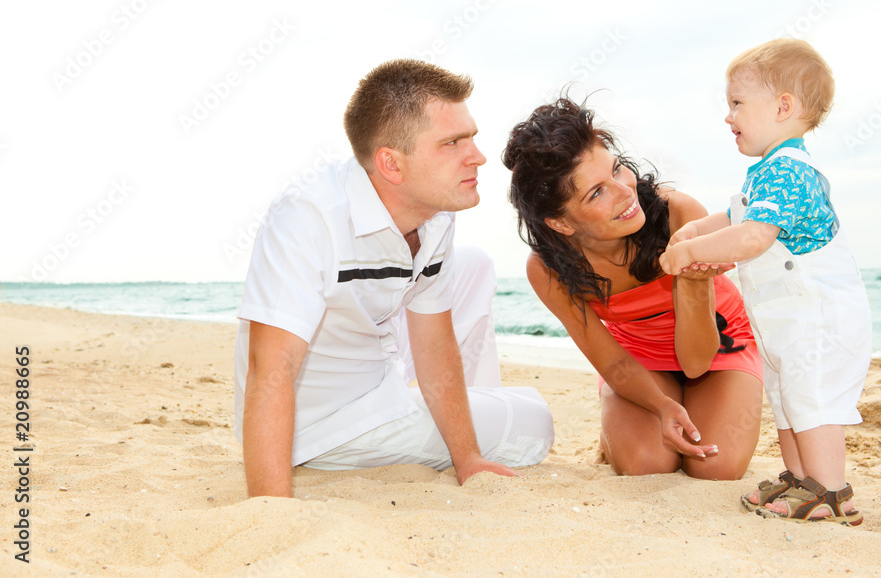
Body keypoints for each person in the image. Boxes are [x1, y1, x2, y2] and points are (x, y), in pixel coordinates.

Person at [234, 59, 554, 498]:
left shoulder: (435, 213)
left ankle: (466, 415)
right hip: (327, 424)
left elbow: (434, 345)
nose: (477, 156)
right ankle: (455, 417)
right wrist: (271, 506)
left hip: (378, 361)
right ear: (391, 164)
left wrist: (469, 459)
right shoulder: (308, 216)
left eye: (472, 137)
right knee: (537, 421)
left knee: (475, 264)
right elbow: (271, 368)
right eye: (453, 142)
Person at [660, 39, 871, 525]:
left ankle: (831, 492)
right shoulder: (768, 174)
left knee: (812, 400)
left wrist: (691, 251)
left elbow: (753, 236)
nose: (728, 116)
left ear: (783, 107)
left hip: (819, 318)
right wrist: (696, 230)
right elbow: (735, 216)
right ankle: (803, 480)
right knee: (789, 397)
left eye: (736, 103)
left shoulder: (789, 173)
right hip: (789, 321)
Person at [502, 97, 763, 480]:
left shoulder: (680, 215)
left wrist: (690, 279)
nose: (626, 191)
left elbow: (696, 361)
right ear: (560, 223)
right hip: (636, 355)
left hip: (718, 342)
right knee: (646, 465)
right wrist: (659, 406)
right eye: (596, 192)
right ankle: (618, 434)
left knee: (714, 467)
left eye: (619, 169)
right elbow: (611, 361)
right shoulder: (548, 268)